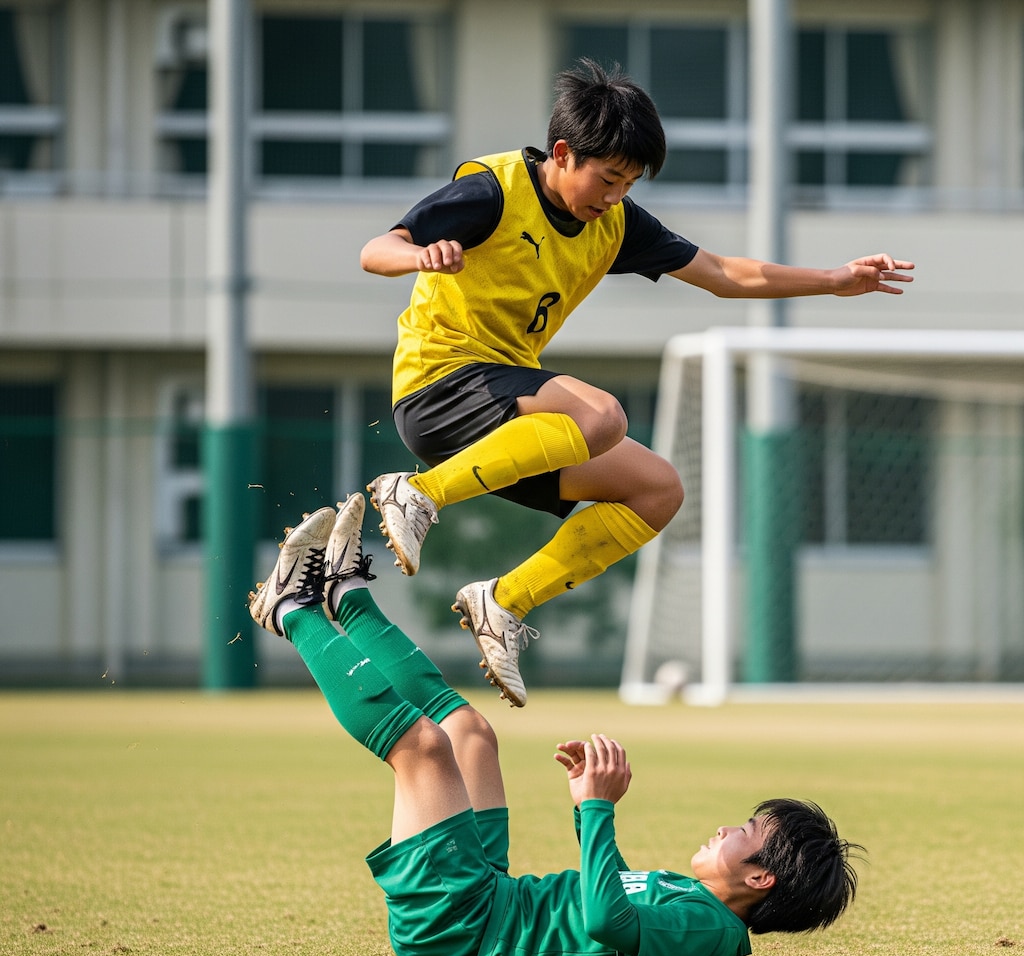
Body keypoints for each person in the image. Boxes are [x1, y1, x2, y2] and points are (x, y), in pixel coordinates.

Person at [359, 59, 915, 708]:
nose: (615, 196)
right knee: (602, 416)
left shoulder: (615, 223)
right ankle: (414, 494)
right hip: (439, 385)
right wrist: (419, 254)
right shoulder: (493, 192)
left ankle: (503, 602)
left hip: (497, 426)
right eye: (608, 178)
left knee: (657, 490)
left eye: (628, 184)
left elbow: (722, 274)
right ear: (562, 154)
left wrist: (834, 280)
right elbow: (377, 249)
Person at [248, 495, 864, 956]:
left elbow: (607, 924)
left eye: (748, 833)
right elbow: (603, 903)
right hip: (492, 892)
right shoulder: (692, 896)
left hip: (459, 929)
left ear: (760, 879)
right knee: (470, 732)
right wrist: (584, 806)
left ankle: (289, 610)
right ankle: (346, 595)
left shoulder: (712, 933)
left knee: (424, 749)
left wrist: (596, 809)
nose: (729, 828)